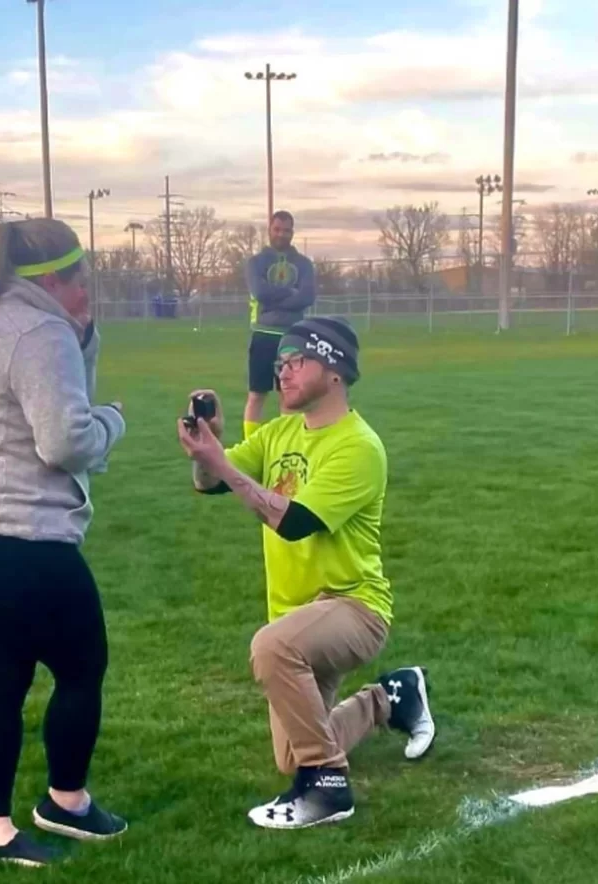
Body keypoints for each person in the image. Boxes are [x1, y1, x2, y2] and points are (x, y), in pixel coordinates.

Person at [177, 316, 435, 830]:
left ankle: (327, 791)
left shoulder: (358, 446)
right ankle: (392, 697)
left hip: (353, 607)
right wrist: (210, 448)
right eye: (280, 365)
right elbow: (211, 484)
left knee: (272, 648)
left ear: (334, 370)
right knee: (292, 754)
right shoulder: (280, 432)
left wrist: (224, 465)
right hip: (298, 615)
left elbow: (293, 521)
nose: (283, 374)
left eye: (297, 362)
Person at [0, 219, 128, 867]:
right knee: (81, 669)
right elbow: (67, 441)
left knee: (3, 682)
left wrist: (84, 341)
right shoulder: (40, 332)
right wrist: (113, 423)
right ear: (49, 280)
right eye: (81, 282)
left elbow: (52, 395)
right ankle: (65, 803)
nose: (88, 293)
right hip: (19, 542)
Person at [244, 211, 316, 439]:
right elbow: (261, 292)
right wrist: (290, 293)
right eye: (277, 229)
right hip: (263, 336)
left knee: (290, 395)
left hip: (293, 337)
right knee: (257, 395)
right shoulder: (255, 263)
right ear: (270, 230)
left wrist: (277, 298)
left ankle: (288, 444)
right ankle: (251, 444)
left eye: (286, 230)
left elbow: (307, 297)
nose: (281, 234)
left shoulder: (304, 265)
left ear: (292, 233)